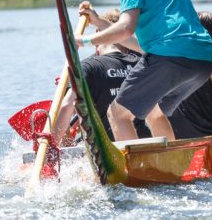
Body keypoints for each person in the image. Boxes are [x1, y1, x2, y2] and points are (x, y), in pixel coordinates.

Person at [75, 0, 212, 142]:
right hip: (203, 61)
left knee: (117, 114)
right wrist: (99, 23)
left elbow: (126, 28)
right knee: (154, 112)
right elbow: (140, 45)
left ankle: (133, 163)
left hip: (171, 57)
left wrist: (84, 41)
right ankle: (169, 161)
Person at [53, 8, 146, 145]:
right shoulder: (144, 63)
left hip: (109, 148)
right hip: (146, 143)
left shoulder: (87, 67)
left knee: (72, 114)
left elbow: (67, 106)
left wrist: (52, 147)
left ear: (97, 33)